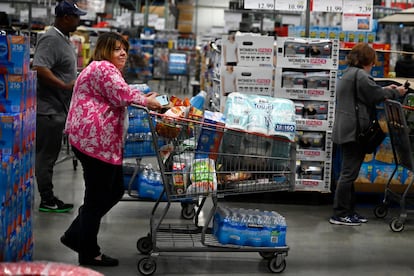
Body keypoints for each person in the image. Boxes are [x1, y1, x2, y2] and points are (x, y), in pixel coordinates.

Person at [60, 32, 162, 267]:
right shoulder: (104, 67)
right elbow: (121, 93)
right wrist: (146, 101)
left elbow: (117, 94)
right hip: (93, 141)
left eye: (124, 48)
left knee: (114, 190)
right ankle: (88, 251)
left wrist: (143, 97)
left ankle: (76, 234)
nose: (123, 53)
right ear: (105, 51)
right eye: (117, 49)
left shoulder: (103, 69)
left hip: (97, 142)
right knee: (98, 197)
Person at [331, 43, 407, 226]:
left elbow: (370, 90)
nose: (374, 63)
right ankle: (340, 214)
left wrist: (386, 88)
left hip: (346, 128)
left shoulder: (350, 73)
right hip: (354, 131)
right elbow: (374, 95)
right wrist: (397, 92)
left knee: (348, 172)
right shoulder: (360, 76)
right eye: (372, 59)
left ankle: (348, 211)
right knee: (349, 174)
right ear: (368, 59)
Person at [32, 0, 86, 213]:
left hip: (59, 108)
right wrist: (64, 85)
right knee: (46, 157)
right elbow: (40, 67)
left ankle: (49, 196)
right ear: (65, 17)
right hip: (49, 110)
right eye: (76, 16)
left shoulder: (63, 39)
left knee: (50, 155)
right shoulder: (50, 39)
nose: (79, 20)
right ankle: (47, 199)